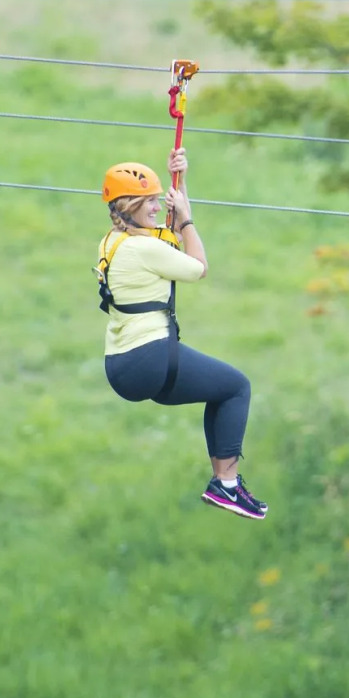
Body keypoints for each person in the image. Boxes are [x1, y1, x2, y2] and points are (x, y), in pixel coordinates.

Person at [96, 147, 266, 520]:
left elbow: (165, 238)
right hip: (151, 358)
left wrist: (181, 181)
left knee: (220, 391)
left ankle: (227, 485)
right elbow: (197, 266)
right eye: (150, 202)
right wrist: (187, 220)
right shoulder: (142, 248)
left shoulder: (115, 241)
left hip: (125, 366)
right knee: (237, 386)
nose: (157, 207)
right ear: (129, 205)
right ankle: (226, 483)